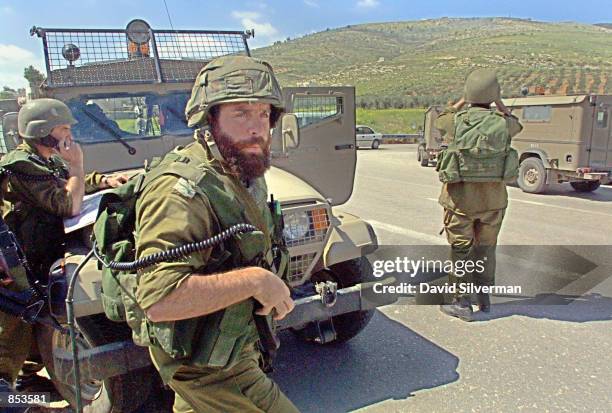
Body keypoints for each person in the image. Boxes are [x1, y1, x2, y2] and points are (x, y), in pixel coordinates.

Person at [133, 55, 299, 412]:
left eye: (264, 114)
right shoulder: (181, 190)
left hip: (226, 345)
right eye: (241, 113)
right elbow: (159, 301)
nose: (257, 127)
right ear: (211, 118)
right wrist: (256, 281)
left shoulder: (239, 169)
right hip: (207, 366)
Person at [0, 98, 127, 390]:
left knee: (39, 317)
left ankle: (29, 374)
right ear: (42, 132)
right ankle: (6, 390)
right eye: (63, 128)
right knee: (14, 325)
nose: (69, 134)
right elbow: (67, 202)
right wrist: (78, 165)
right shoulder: (19, 165)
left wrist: (104, 181)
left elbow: (64, 179)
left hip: (41, 249)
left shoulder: (45, 158)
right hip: (16, 259)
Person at [435, 69, 523, 321]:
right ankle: (484, 298)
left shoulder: (456, 121)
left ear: (468, 92)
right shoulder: (504, 124)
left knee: (460, 250)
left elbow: (442, 116)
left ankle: (461, 303)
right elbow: (516, 123)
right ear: (494, 95)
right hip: (493, 203)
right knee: (486, 249)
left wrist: (463, 100)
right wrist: (500, 104)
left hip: (460, 202)